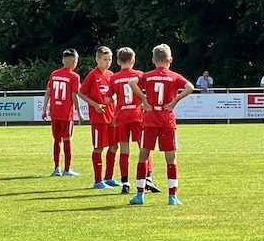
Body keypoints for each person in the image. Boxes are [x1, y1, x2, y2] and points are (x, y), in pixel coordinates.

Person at [130, 44, 193, 205]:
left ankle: (140, 195)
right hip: (167, 120)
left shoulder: (147, 76)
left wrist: (144, 99)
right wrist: (175, 101)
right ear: (170, 60)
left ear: (153, 60)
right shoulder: (174, 76)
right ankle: (172, 197)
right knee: (171, 159)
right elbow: (190, 87)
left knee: (143, 156)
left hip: (150, 119)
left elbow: (132, 82)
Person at [113, 48, 156, 194]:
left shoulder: (114, 78)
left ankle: (125, 182)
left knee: (124, 149)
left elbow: (107, 99)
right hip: (137, 115)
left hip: (121, 116)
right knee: (143, 146)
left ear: (118, 61)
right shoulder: (139, 75)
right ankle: (148, 178)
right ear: (133, 60)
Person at [78, 47, 118, 190]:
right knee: (99, 147)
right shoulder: (93, 75)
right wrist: (95, 105)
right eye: (105, 59)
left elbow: (115, 94)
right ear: (97, 59)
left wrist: (115, 110)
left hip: (111, 117)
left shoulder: (111, 75)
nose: (108, 62)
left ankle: (109, 177)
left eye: (110, 59)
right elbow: (81, 93)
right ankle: (98, 181)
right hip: (99, 118)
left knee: (114, 146)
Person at [42, 49, 82, 176]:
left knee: (57, 139)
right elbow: (74, 95)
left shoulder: (54, 74)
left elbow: (48, 92)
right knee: (67, 140)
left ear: (63, 60)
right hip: (66, 113)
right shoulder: (74, 76)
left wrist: (44, 109)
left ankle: (56, 168)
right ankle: (67, 169)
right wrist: (79, 112)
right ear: (74, 62)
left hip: (55, 112)